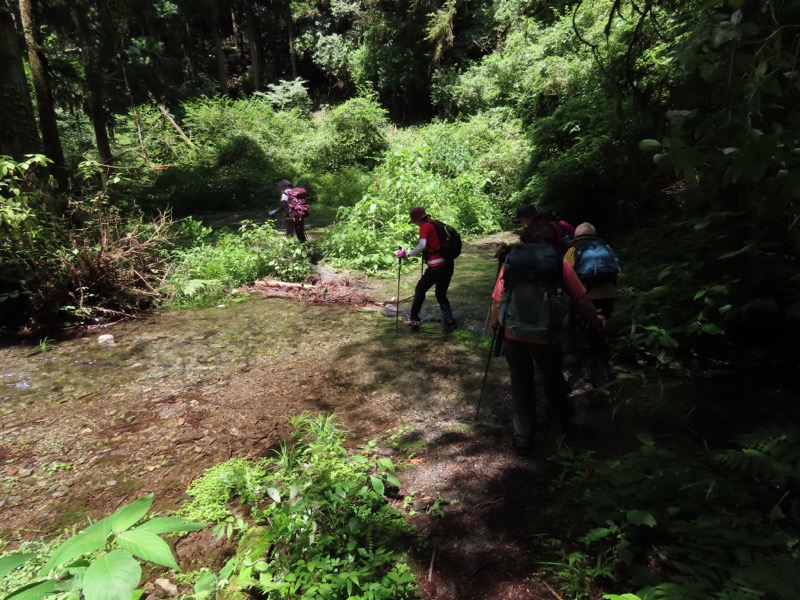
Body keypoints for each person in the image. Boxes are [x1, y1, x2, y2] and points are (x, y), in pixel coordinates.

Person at [490, 220, 605, 455]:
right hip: (547, 336)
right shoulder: (560, 264)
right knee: (552, 379)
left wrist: (496, 327)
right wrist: (596, 320)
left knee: (521, 386)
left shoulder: (511, 262)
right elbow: (581, 299)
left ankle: (523, 438)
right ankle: (563, 425)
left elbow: (497, 301)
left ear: (525, 240)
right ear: (554, 241)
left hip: (513, 335)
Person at [564, 222, 619, 392]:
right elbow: (617, 271)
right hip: (608, 295)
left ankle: (585, 372)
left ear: (576, 237)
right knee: (600, 327)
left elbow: (567, 276)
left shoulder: (573, 251)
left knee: (582, 333)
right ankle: (602, 366)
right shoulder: (607, 248)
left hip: (585, 297)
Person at [396, 206, 457, 329]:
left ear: (418, 220)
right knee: (441, 294)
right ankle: (449, 320)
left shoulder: (425, 227)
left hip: (436, 267)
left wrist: (407, 254)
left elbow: (422, 246)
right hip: (448, 265)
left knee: (419, 290)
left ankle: (414, 318)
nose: (416, 225)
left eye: (414, 222)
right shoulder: (436, 223)